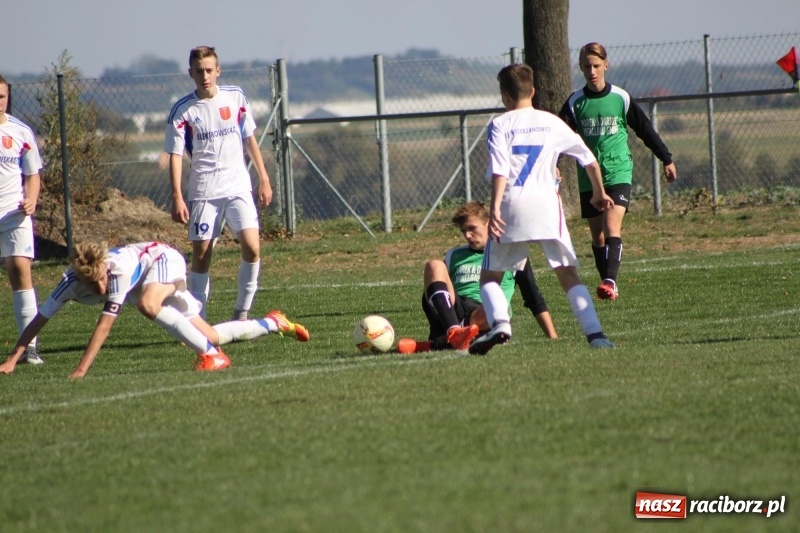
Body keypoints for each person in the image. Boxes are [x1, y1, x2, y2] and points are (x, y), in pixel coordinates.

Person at [469, 64, 615, 356]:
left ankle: (501, 324)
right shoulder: (551, 122)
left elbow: (500, 171)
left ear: (504, 97)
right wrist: (599, 192)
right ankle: (596, 335)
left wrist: (495, 207)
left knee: (490, 277)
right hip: (547, 207)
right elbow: (589, 160)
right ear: (533, 91)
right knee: (568, 275)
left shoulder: (500, 124)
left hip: (512, 206)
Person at [0, 241, 309, 378]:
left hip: (162, 260)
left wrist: (81, 370)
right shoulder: (68, 284)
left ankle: (212, 358)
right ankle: (273, 322)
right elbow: (41, 318)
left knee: (149, 304)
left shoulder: (116, 273)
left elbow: (104, 326)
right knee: (211, 335)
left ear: (105, 269)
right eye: (91, 284)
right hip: (144, 283)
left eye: (101, 279)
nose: (100, 289)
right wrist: (13, 359)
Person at [559, 42, 678, 301]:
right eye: (587, 66)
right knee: (598, 236)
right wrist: (552, 165)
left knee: (612, 226)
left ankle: (610, 282)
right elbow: (557, 137)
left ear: (606, 65)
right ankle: (607, 282)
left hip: (618, 172)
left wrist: (666, 158)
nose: (592, 71)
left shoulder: (621, 98)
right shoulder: (575, 102)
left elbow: (645, 130)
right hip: (589, 177)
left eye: (596, 66)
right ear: (581, 68)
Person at [165, 46, 272, 320]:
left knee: (252, 247)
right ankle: (197, 319)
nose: (205, 76)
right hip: (204, 191)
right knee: (202, 256)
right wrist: (177, 196)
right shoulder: (182, 111)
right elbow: (175, 156)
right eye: (199, 71)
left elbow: (249, 139)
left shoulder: (236, 97)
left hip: (237, 186)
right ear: (191, 73)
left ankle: (242, 312)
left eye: (209, 70)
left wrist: (264, 178)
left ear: (218, 71)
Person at [397, 201, 557, 354]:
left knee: (499, 307)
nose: (467, 235)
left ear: (489, 222)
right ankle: (454, 333)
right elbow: (438, 286)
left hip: (481, 314)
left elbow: (533, 298)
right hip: (452, 312)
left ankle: (435, 345)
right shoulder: (455, 254)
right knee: (434, 265)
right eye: (463, 231)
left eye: (472, 228)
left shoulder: (511, 255)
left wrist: (553, 337)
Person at [0, 75, 42, 365]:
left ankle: (29, 349)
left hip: (15, 215)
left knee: (21, 276)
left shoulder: (21, 132)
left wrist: (32, 199)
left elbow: (33, 173)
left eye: (1, 96)